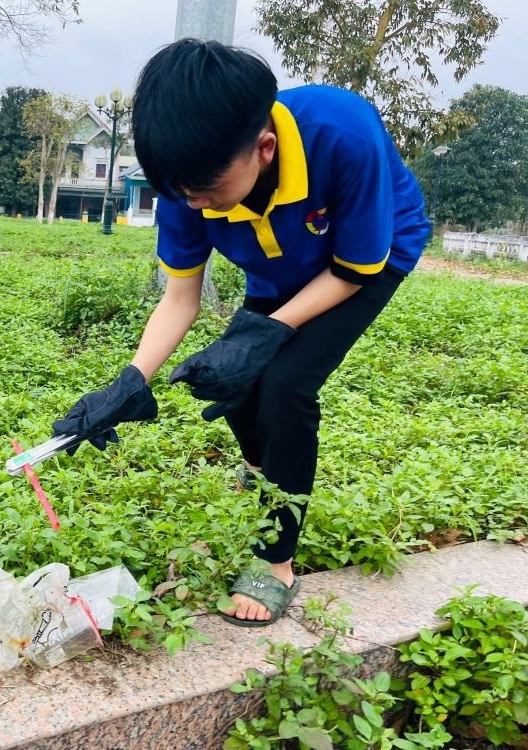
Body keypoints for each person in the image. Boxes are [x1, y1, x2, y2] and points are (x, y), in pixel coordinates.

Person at [53, 39, 430, 627]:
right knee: (231, 382)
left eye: (204, 190)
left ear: (264, 147)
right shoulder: (188, 181)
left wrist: (269, 332)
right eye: (180, 191)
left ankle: (277, 559)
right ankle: (270, 479)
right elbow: (181, 297)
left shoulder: (344, 133)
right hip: (276, 260)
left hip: (367, 260)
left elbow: (357, 267)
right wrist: (129, 381)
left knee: (283, 385)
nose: (191, 202)